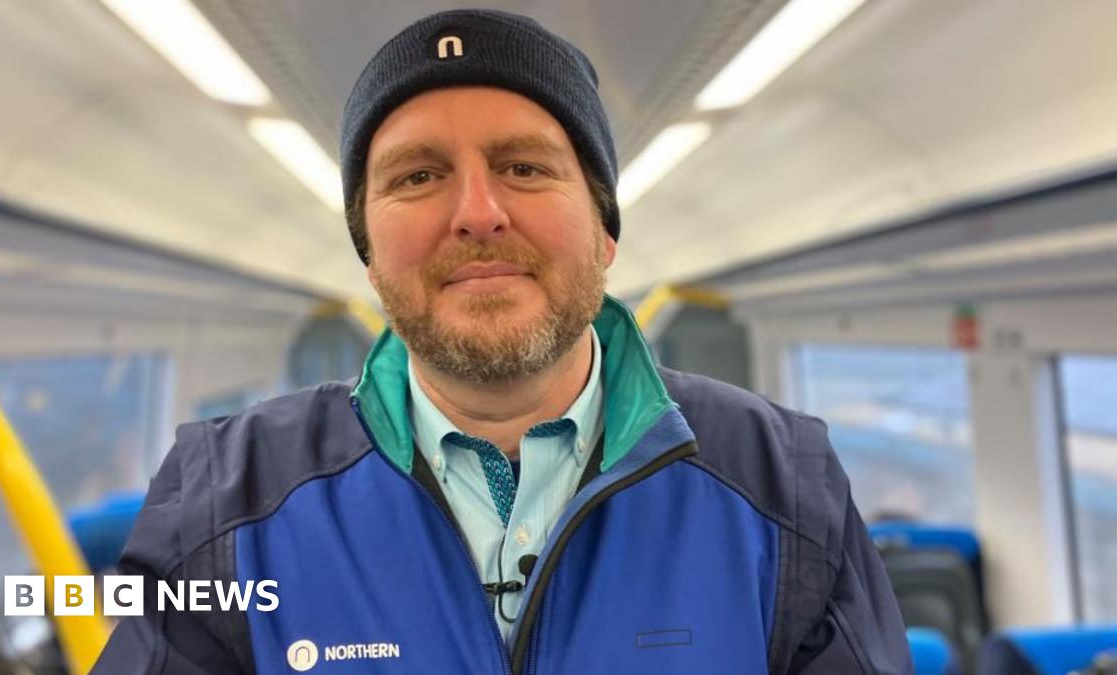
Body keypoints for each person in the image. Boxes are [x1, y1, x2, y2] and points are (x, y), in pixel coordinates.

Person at [94, 9, 910, 674]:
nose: (478, 212)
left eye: (524, 167)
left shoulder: (785, 484)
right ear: (368, 255)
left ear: (605, 232)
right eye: (418, 176)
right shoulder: (219, 507)